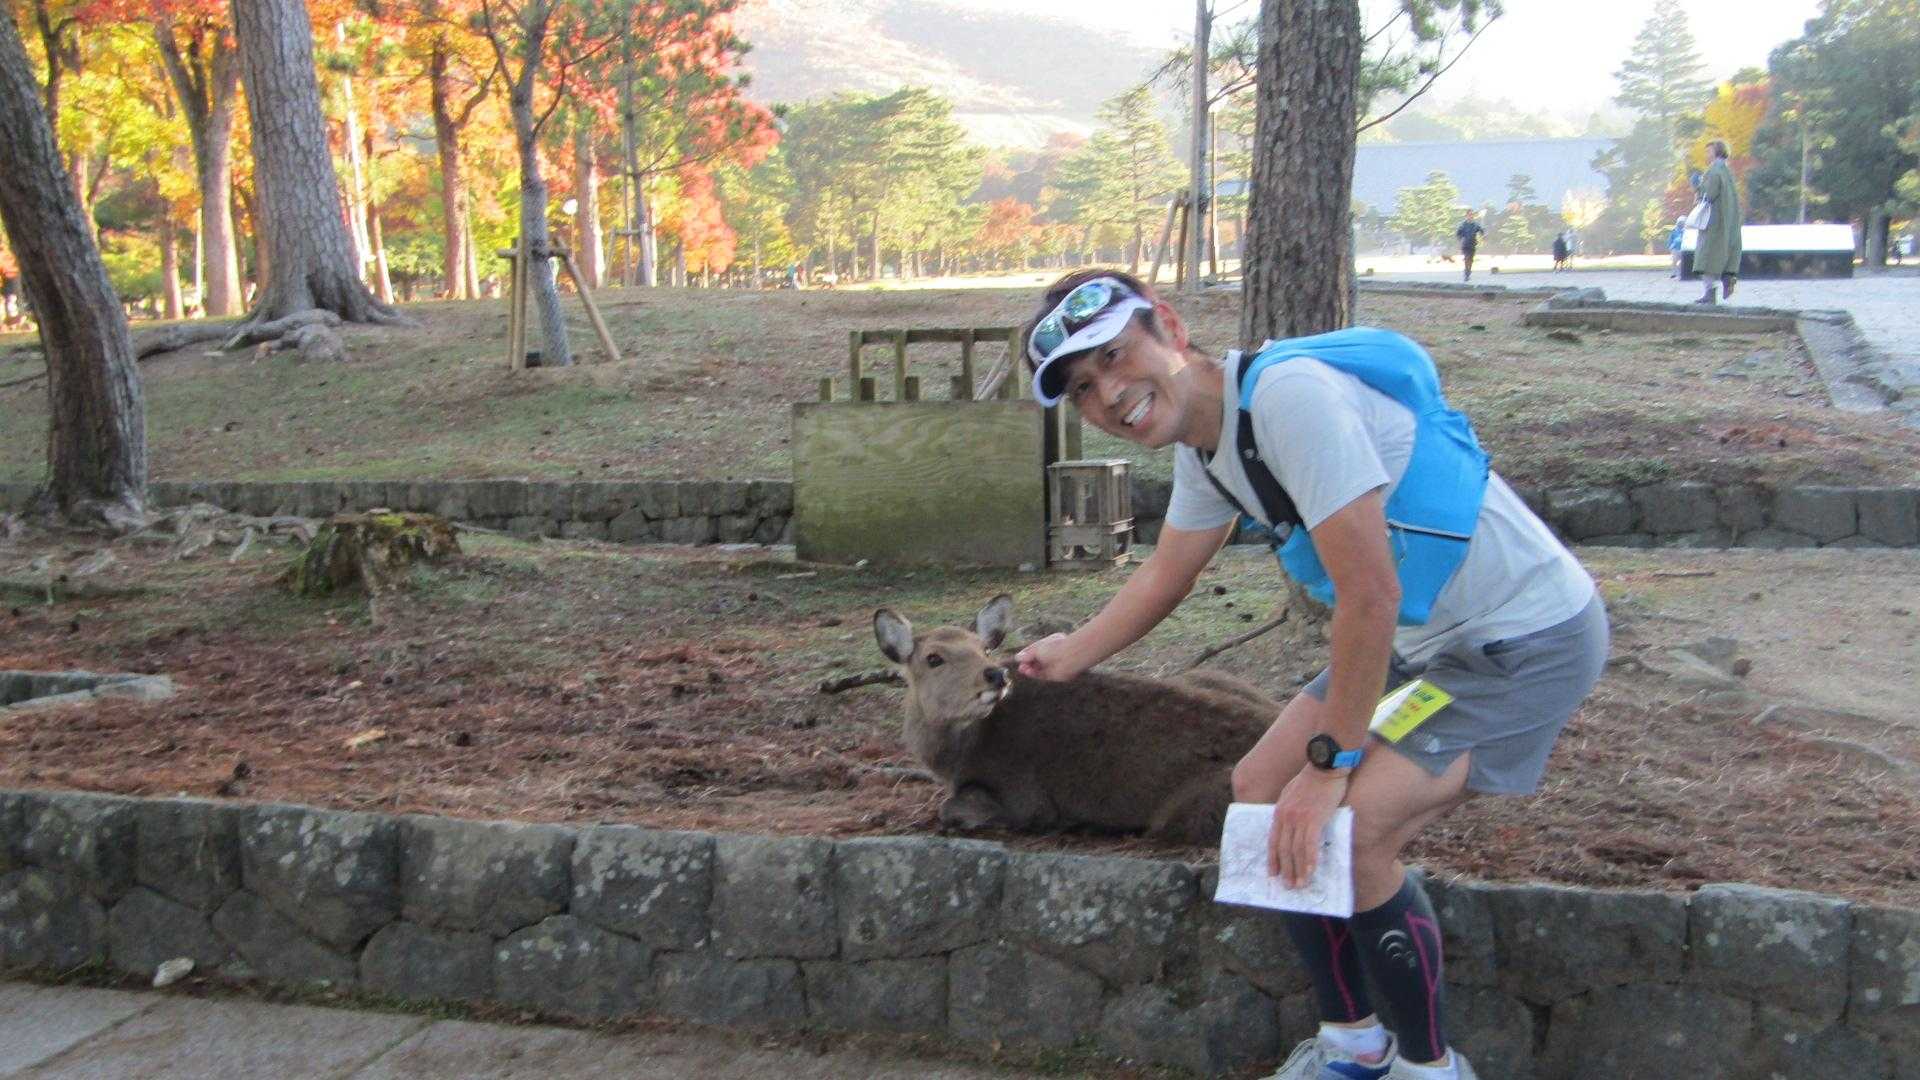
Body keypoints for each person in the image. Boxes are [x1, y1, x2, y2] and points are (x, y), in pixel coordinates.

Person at [1014, 270, 1606, 1080]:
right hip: (1425, 648)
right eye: (1083, 388)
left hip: (1525, 642)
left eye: (1114, 357)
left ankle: (1430, 1069)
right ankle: (1352, 1046)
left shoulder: (1290, 398)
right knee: (1258, 789)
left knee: (1353, 828)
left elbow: (1371, 594)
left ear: (1171, 328)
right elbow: (1167, 575)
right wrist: (1070, 653)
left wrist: (1330, 767)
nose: (1109, 395)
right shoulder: (1205, 447)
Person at [1693, 139, 1743, 303]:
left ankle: (1710, 293)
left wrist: (1697, 186)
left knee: (1706, 256)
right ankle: (1728, 278)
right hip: (1728, 221)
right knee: (1725, 254)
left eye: (1708, 151)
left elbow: (1709, 194)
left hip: (1713, 222)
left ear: (1717, 152)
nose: (1706, 155)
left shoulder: (1713, 171)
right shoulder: (1727, 171)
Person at [1453, 210, 1484, 282]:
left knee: (1471, 259)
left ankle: (1468, 271)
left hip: (1472, 244)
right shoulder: (1463, 225)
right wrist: (1460, 239)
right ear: (1466, 216)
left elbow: (1481, 231)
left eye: (1472, 214)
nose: (1470, 216)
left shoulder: (1475, 224)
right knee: (1467, 258)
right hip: (1465, 244)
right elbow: (1458, 233)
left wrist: (1482, 236)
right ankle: (1466, 273)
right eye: (1469, 215)